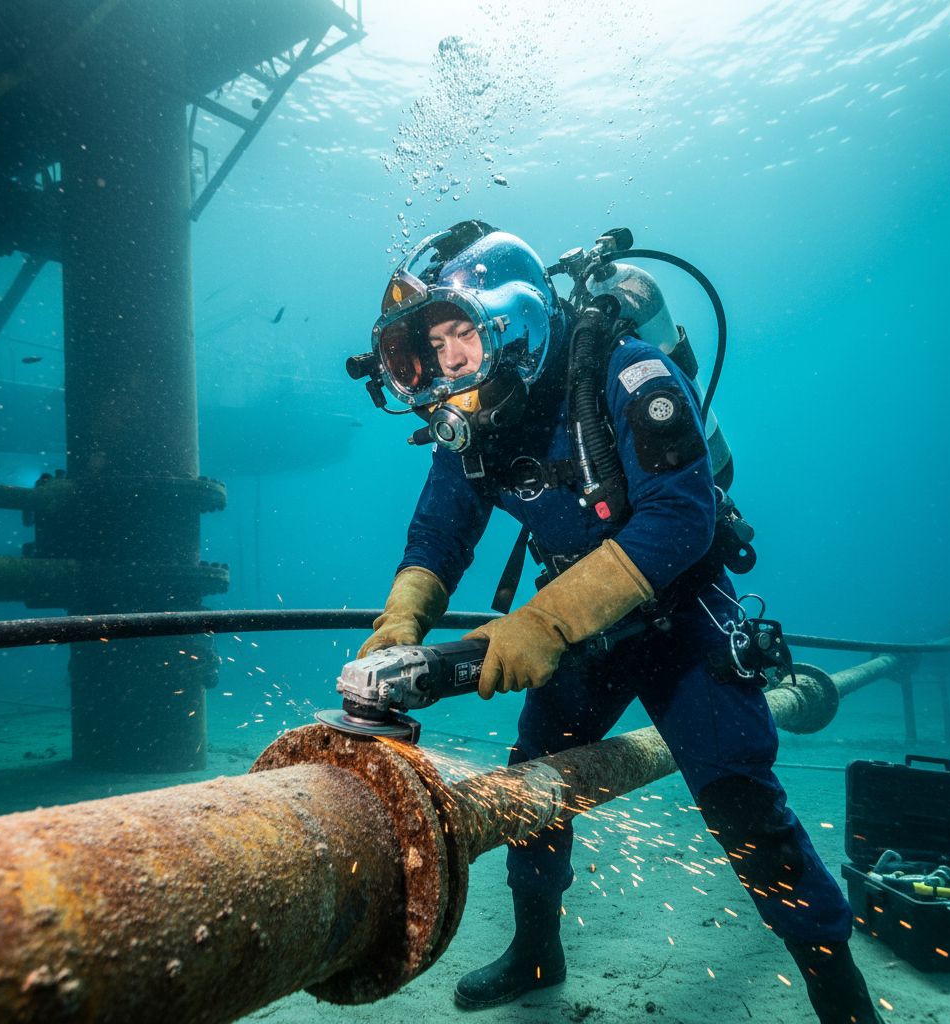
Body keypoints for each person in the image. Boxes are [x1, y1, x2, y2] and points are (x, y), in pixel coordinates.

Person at [356, 221, 884, 1023]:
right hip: (583, 627)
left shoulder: (628, 369)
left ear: (513, 316)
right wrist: (401, 623)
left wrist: (539, 626)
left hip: (683, 618)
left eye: (460, 333)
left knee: (742, 799)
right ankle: (536, 953)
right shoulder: (472, 425)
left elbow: (679, 521)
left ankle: (839, 994)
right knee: (535, 782)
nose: (448, 362)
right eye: (429, 346)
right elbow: (438, 535)